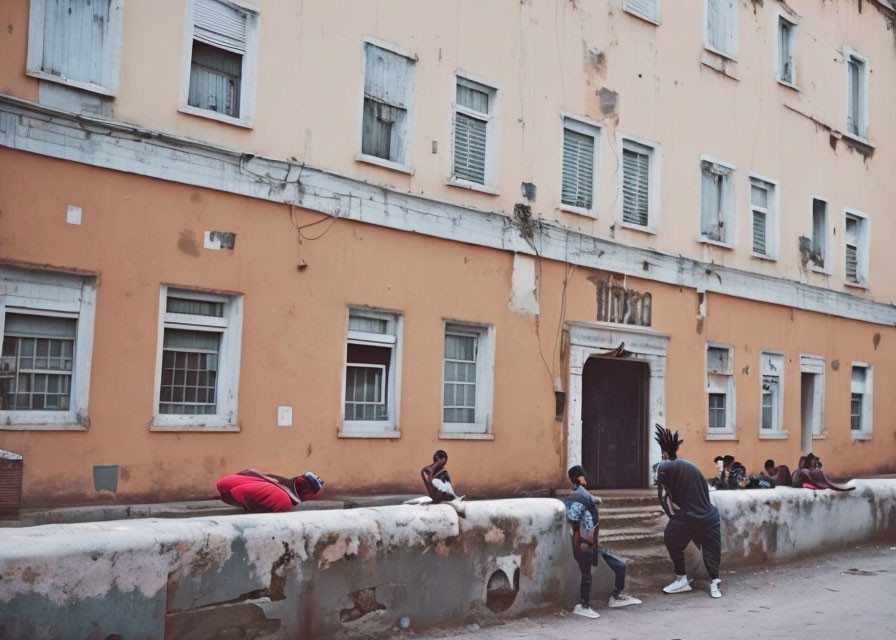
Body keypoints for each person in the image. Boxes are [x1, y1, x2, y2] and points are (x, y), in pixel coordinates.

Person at [563, 465, 642, 619]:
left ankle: (616, 596)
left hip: (592, 543)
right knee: (587, 575)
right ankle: (583, 606)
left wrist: (593, 501)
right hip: (582, 544)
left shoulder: (584, 496)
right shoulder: (575, 498)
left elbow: (590, 502)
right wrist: (589, 503)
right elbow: (573, 517)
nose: (585, 479)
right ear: (580, 478)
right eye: (583, 476)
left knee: (620, 565)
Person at [654, 424, 723, 599]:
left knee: (671, 538)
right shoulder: (689, 465)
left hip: (688, 516)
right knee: (711, 549)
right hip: (710, 515)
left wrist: (673, 516)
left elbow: (664, 496)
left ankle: (681, 579)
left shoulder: (663, 467)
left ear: (665, 453)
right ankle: (715, 582)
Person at [216, 469, 323, 512]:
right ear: (305, 490)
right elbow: (237, 493)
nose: (315, 497)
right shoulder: (284, 499)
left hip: (226, 484)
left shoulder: (277, 482)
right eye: (314, 494)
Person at [404, 450, 467, 516]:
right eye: (444, 461)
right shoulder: (426, 471)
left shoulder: (442, 471)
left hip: (446, 496)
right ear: (440, 459)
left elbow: (446, 486)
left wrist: (446, 479)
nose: (444, 464)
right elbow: (433, 491)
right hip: (440, 498)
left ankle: (455, 497)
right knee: (460, 509)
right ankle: (454, 498)